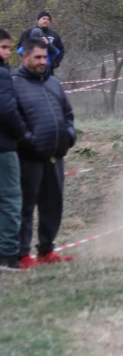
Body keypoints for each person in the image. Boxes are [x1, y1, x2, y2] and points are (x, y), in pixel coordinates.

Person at [12, 38, 76, 269]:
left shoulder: (53, 83)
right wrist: (30, 142)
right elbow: (13, 121)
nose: (43, 61)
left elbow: (68, 115)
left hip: (56, 155)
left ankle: (47, 250)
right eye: (38, 57)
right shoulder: (13, 83)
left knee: (53, 204)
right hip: (29, 158)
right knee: (26, 207)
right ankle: (22, 254)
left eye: (45, 57)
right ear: (25, 56)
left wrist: (69, 135)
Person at [0, 29, 26, 272]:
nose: (8, 53)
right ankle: (8, 255)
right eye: (4, 47)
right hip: (4, 147)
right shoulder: (2, 75)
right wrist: (21, 132)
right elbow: (6, 110)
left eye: (8, 48)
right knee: (10, 198)